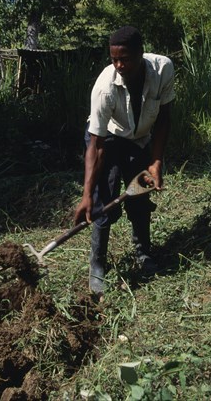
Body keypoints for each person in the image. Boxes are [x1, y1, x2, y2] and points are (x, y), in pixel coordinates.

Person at [74, 26, 175, 294]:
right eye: (114, 59)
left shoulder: (163, 68)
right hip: (107, 139)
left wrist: (156, 161)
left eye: (125, 59)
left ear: (141, 53)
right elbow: (96, 146)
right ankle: (98, 265)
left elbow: (164, 118)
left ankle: (143, 253)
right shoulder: (104, 89)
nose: (119, 65)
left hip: (139, 139)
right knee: (104, 201)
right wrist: (87, 195)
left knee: (140, 197)